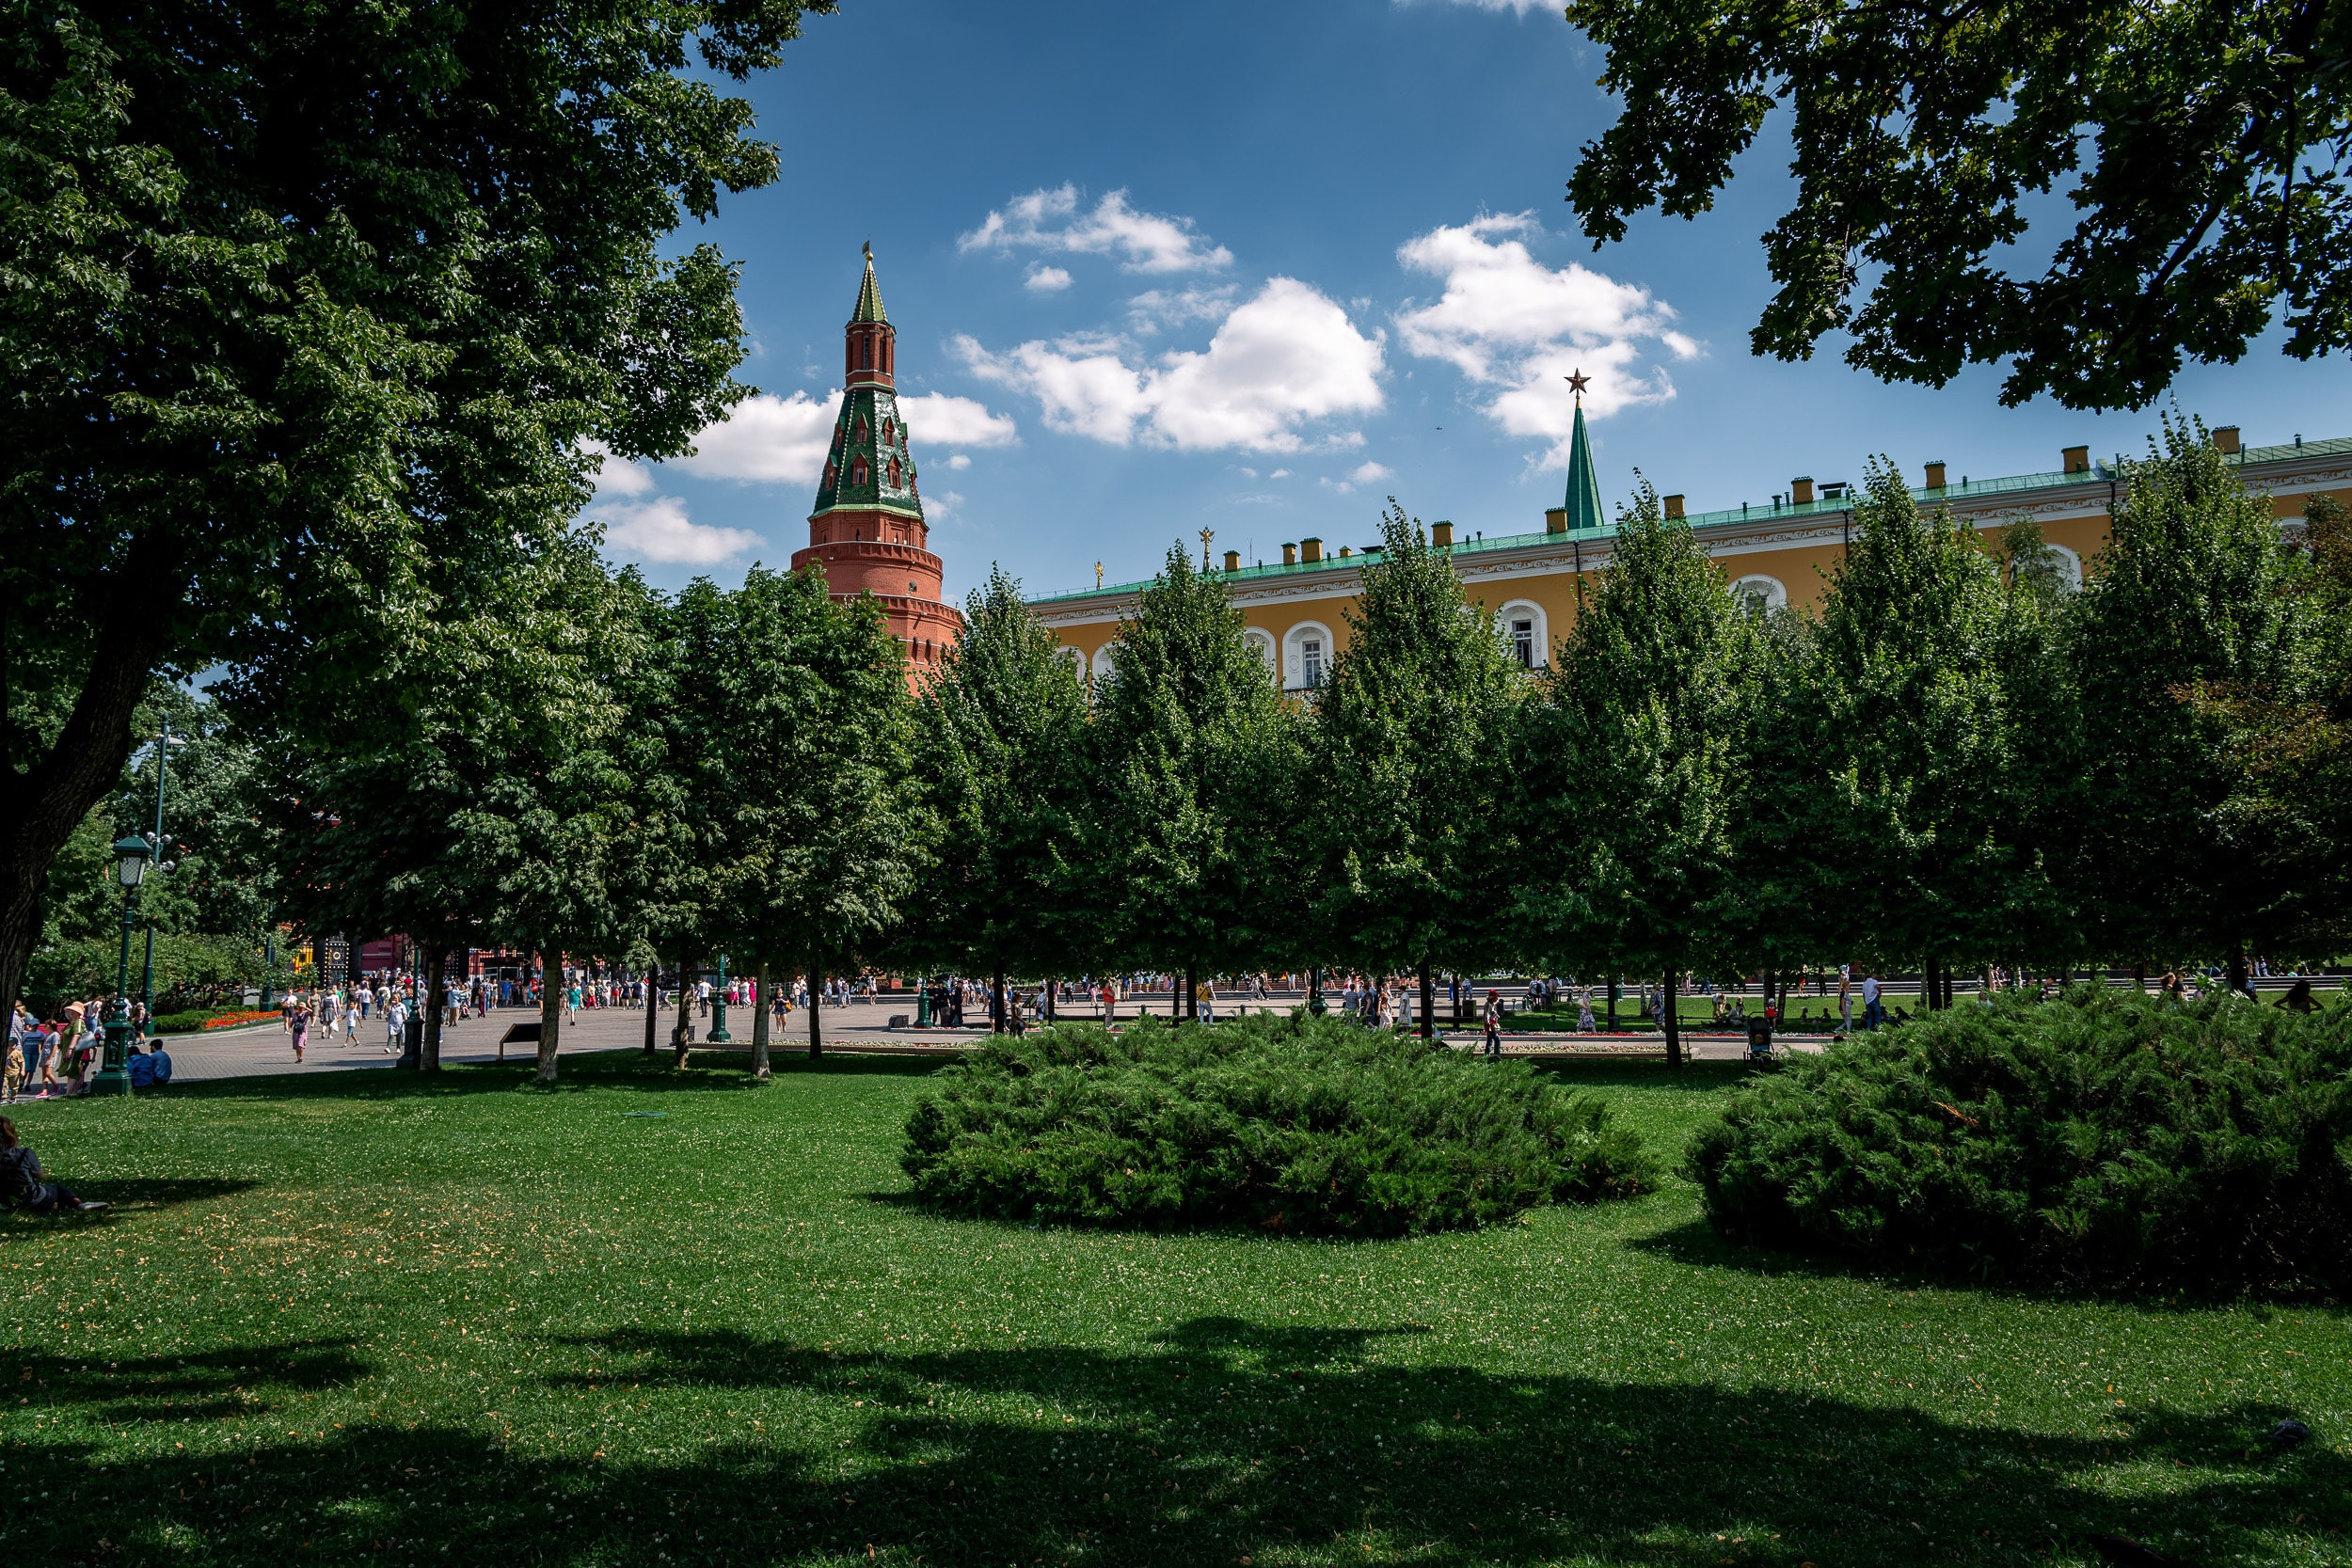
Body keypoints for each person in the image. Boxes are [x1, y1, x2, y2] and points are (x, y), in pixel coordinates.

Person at [0, 1117, 106, 1213]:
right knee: (56, 1188)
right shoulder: (24, 1153)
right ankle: (79, 1204)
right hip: (33, 1199)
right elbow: (40, 1175)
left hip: (7, 1204)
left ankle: (56, 1206)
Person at [285, 995, 310, 1063]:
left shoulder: (305, 1013)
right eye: (299, 1006)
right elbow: (292, 1022)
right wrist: (289, 1028)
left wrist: (304, 1007)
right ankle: (298, 1058)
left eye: (301, 1006)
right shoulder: (295, 1014)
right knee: (296, 1045)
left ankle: (301, 1057)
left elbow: (311, 1011)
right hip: (296, 1030)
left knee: (300, 1044)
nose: (300, 1008)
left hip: (303, 1030)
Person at [1482, 989, 1502, 1058]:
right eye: (1496, 997)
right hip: (1490, 1026)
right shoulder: (1488, 1005)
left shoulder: (1492, 1004)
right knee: (1497, 1039)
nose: (1497, 999)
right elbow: (1487, 1015)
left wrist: (1496, 1015)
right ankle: (1497, 1055)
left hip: (1492, 1025)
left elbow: (1492, 1013)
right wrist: (1488, 1025)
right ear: (1492, 997)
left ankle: (1487, 1055)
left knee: (1489, 1041)